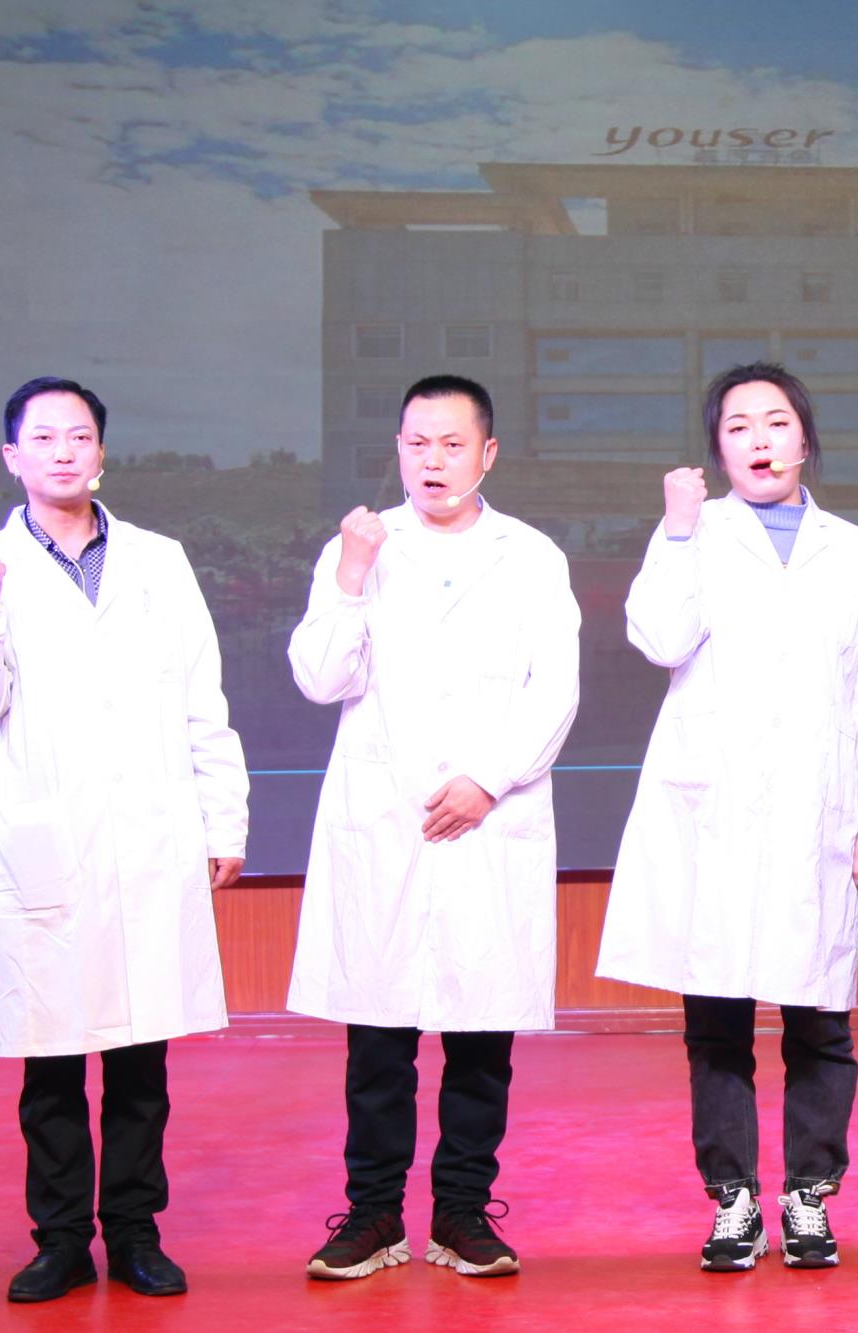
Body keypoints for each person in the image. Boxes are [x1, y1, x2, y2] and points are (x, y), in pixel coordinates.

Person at [0, 377, 248, 1303]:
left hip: (151, 833)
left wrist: (223, 817)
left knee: (143, 1057)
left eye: (79, 436)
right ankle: (61, 1239)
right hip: (50, 841)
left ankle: (137, 1234)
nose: (63, 451)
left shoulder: (159, 560)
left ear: (101, 453)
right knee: (53, 1061)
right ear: (12, 457)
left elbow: (202, 697)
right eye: (43, 437)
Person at [597, 362, 858, 1272]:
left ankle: (809, 1193)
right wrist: (676, 531)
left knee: (821, 1018)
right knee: (718, 1018)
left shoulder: (855, 551)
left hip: (818, 810)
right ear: (718, 449)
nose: (760, 439)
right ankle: (733, 1198)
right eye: (738, 426)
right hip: (717, 813)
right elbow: (658, 637)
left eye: (776, 421)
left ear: (805, 437)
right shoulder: (695, 534)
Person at [288, 374, 580, 1281]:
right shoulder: (361, 546)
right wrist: (349, 575)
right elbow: (319, 678)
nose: (433, 461)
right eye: (418, 443)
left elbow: (555, 689)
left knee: (480, 1037)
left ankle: (461, 1214)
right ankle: (373, 1214)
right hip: (387, 821)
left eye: (453, 444)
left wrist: (488, 781)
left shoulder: (531, 556)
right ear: (398, 449)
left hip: (491, 817)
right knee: (378, 1040)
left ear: (487, 453)